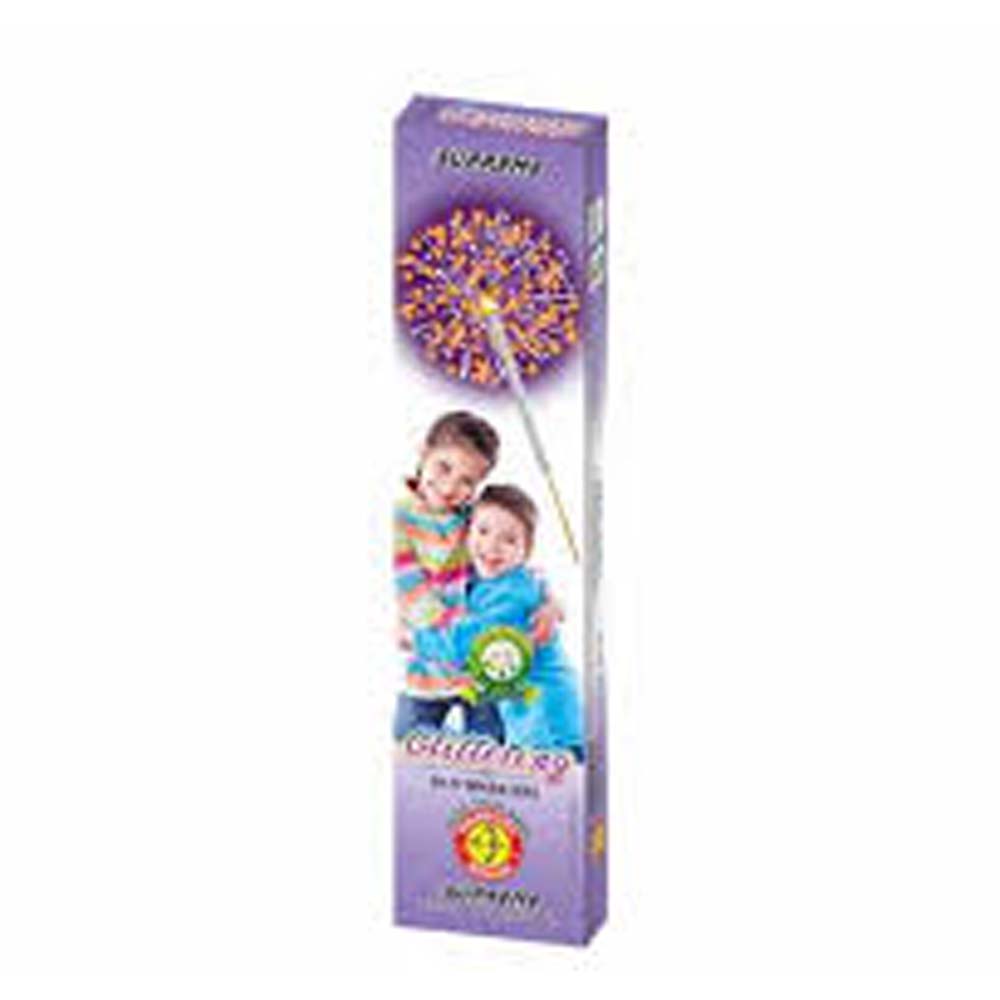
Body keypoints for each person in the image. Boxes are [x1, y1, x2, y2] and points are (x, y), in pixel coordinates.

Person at [411, 484, 584, 758]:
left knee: (548, 781)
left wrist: (416, 639)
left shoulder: (513, 593)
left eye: (509, 540)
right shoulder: (492, 580)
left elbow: (474, 642)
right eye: (483, 531)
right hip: (530, 716)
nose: (492, 546)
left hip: (547, 718)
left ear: (525, 551)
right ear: (468, 532)